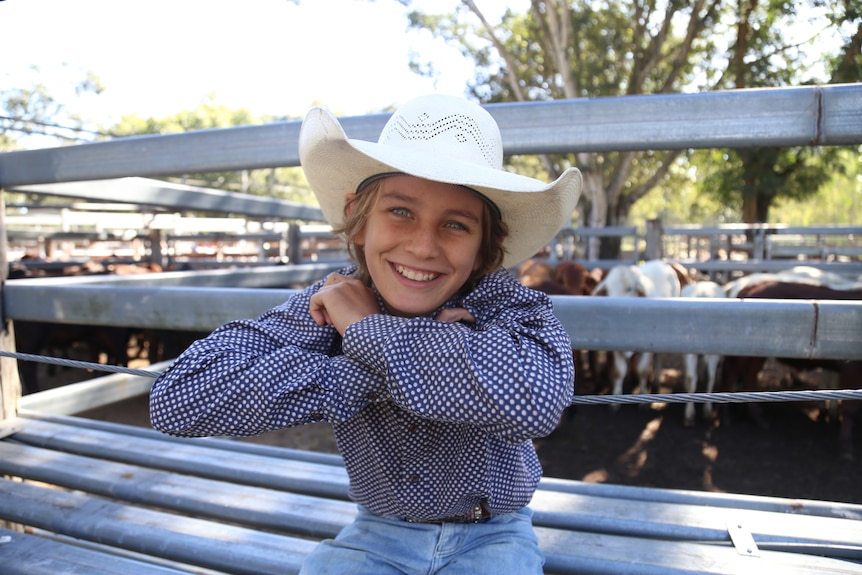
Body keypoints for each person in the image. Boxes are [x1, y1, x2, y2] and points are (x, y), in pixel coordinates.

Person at [149, 93, 582, 574]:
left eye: (456, 224)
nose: (422, 246)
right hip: (379, 532)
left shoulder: (509, 306)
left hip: (493, 534)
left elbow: (536, 403)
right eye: (400, 212)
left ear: (484, 246)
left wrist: (365, 332)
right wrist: (367, 366)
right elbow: (177, 399)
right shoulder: (332, 299)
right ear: (359, 218)